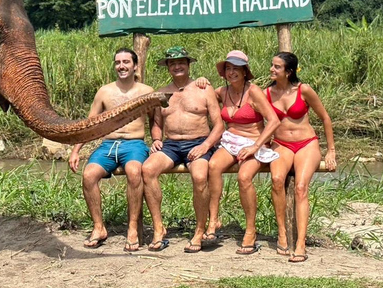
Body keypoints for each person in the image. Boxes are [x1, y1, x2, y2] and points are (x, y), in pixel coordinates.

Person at [68, 48, 155, 252]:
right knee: (89, 175)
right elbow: (90, 123)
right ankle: (99, 227)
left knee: (134, 172)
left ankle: (132, 228)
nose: (121, 66)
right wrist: (76, 150)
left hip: (134, 144)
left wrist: (159, 140)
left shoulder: (146, 91)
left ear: (135, 65)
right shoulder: (105, 91)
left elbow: (156, 121)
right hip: (108, 145)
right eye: (118, 62)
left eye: (126, 62)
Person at [196, 50, 280, 255]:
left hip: (254, 141)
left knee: (244, 177)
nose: (232, 72)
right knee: (213, 166)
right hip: (230, 141)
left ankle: (251, 230)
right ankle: (214, 220)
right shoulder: (222, 92)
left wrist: (255, 146)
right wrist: (201, 81)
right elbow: (203, 94)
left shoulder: (254, 92)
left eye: (236, 68)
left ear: (245, 72)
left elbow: (274, 121)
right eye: (228, 68)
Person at [142, 46, 223, 253]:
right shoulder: (161, 93)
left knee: (199, 176)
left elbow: (219, 125)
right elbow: (157, 123)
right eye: (172, 63)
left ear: (188, 65)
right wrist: (157, 138)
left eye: (181, 62)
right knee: (148, 169)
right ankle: (159, 229)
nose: (177, 66)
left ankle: (199, 230)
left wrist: (205, 146)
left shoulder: (203, 89)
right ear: (168, 67)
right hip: (171, 145)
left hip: (199, 142)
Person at [266, 52, 336, 263]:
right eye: (272, 65)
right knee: (277, 180)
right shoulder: (266, 93)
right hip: (281, 144)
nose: (271, 69)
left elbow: (325, 118)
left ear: (288, 71)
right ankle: (282, 233)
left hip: (306, 143)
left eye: (277, 67)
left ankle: (301, 243)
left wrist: (331, 150)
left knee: (300, 187)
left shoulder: (303, 90)